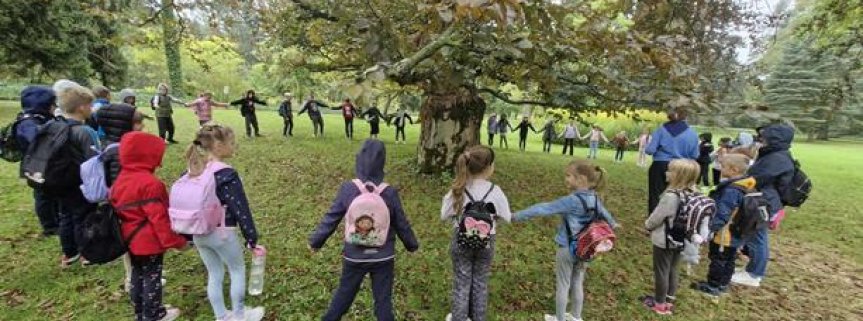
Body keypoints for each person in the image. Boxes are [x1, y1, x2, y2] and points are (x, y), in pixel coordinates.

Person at [309, 139, 419, 321]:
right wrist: (412, 245)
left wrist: (316, 241)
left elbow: (332, 217)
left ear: (358, 160)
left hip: (354, 255)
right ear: (382, 163)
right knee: (383, 302)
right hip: (383, 257)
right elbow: (402, 223)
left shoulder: (348, 189)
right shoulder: (389, 192)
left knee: (343, 296)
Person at [513, 160, 618, 321]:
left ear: (581, 179)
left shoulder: (572, 201)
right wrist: (614, 224)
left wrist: (516, 216)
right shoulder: (596, 199)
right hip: (586, 248)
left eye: (568, 176)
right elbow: (607, 217)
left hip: (567, 248)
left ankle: (560, 318)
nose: (566, 179)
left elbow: (543, 208)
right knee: (577, 282)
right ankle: (576, 316)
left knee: (563, 284)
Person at [185, 124, 265, 321]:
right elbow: (240, 208)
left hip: (198, 232)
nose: (234, 146)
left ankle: (221, 316)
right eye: (231, 143)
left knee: (214, 273)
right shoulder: (227, 174)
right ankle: (239, 315)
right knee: (237, 270)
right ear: (219, 146)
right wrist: (251, 237)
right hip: (223, 232)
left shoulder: (194, 170)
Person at [110, 131, 187, 321]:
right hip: (148, 240)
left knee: (137, 275)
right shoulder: (150, 184)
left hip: (128, 237)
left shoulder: (120, 179)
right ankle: (154, 314)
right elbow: (159, 219)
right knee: (152, 276)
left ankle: (140, 312)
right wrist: (176, 242)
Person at [441, 145, 512, 321]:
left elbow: (444, 215)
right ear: (488, 167)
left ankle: (459, 317)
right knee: (480, 282)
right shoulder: (495, 191)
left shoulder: (458, 189)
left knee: (462, 282)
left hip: (461, 240)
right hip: (487, 242)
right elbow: (507, 217)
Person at [731, 124, 795, 288]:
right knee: (755, 235)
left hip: (764, 202)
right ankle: (752, 269)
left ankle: (754, 274)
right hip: (764, 199)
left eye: (765, 137)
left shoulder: (776, 159)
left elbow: (757, 178)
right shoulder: (775, 155)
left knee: (757, 237)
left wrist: (734, 184)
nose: (761, 140)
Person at [96, 103, 148, 292]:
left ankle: (137, 275)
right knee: (131, 241)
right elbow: (122, 181)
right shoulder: (120, 151)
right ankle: (133, 279)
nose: (141, 127)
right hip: (127, 205)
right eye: (137, 124)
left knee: (131, 241)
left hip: (123, 203)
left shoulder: (111, 147)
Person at [51, 83, 101, 267]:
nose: (91, 109)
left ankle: (69, 252)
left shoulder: (54, 126)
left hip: (59, 180)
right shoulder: (85, 131)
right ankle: (86, 253)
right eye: (89, 106)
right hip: (80, 182)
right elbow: (95, 159)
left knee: (66, 215)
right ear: (81, 107)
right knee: (84, 216)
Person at [642, 159, 700, 315]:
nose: (666, 173)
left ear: (678, 176)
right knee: (674, 268)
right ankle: (669, 300)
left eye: (670, 171)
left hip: (664, 239)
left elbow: (657, 217)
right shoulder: (694, 194)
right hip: (682, 238)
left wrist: (647, 226)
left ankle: (659, 303)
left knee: (661, 270)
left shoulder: (670, 196)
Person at [692, 154, 755, 298]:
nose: (720, 168)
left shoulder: (732, 190)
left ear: (733, 169)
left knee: (718, 258)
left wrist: (710, 229)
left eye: (724, 166)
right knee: (730, 258)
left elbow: (723, 212)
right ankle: (723, 284)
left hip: (725, 232)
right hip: (737, 231)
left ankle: (713, 286)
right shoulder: (747, 185)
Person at [15, 86, 59, 236]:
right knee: (42, 196)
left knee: (52, 193)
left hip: (47, 163)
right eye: (52, 104)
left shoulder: (42, 119)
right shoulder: (28, 123)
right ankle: (49, 226)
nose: (55, 107)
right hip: (36, 165)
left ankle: (55, 218)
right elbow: (35, 142)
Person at [645, 107, 699, 216]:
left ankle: (653, 223)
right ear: (685, 116)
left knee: (656, 194)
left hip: (660, 165)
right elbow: (695, 155)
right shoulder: (693, 133)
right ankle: (674, 221)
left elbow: (650, 150)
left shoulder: (661, 130)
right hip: (682, 167)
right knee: (679, 195)